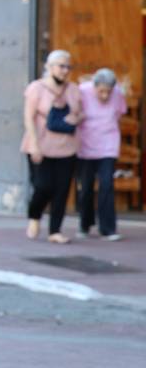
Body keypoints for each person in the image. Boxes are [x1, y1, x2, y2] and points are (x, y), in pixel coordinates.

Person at [21, 50, 83, 244]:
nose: (65, 70)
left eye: (68, 66)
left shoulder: (74, 90)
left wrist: (76, 118)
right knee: (43, 186)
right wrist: (34, 145)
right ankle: (34, 217)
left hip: (67, 148)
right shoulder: (36, 88)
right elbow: (28, 117)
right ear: (49, 67)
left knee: (62, 189)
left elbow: (81, 113)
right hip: (41, 145)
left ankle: (55, 231)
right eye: (61, 66)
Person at [77, 68, 126, 241]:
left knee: (107, 185)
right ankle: (85, 223)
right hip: (86, 145)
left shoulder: (118, 93)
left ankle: (108, 228)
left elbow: (119, 113)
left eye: (108, 92)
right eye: (101, 91)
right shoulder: (82, 90)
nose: (105, 95)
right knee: (86, 187)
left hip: (108, 145)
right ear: (94, 86)